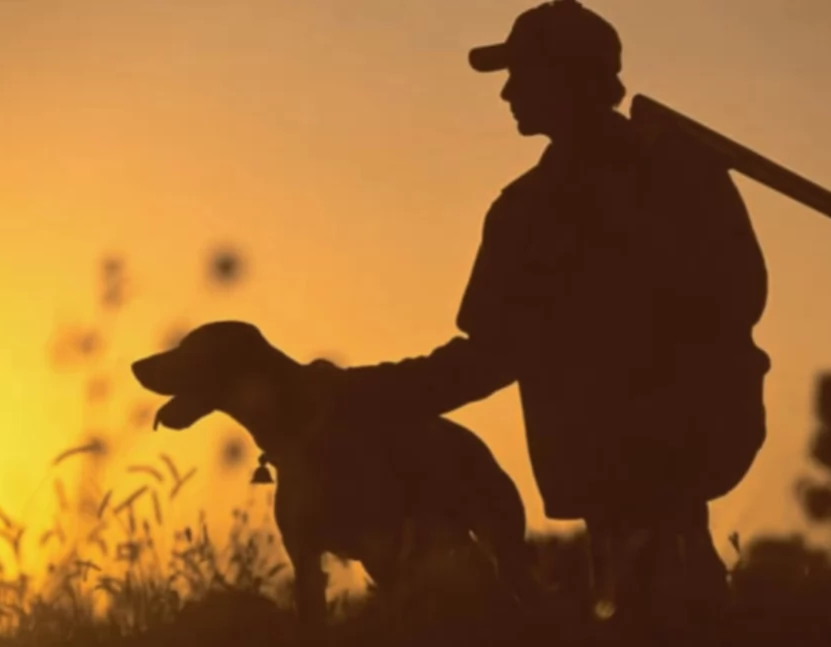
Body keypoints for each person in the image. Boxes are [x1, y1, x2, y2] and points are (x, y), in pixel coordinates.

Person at [301, 0, 770, 641]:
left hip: (641, 454)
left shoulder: (536, 208)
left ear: (567, 78)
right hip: (685, 446)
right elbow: (742, 294)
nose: (507, 91)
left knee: (649, 602)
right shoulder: (682, 169)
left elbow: (486, 359)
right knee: (676, 590)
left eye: (523, 73)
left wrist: (358, 392)